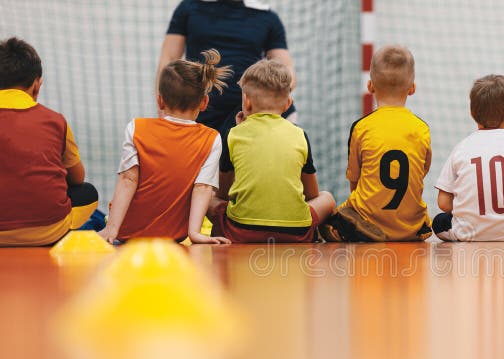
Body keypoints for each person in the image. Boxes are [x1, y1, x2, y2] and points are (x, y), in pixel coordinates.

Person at [158, 0, 297, 195]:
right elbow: (169, 59)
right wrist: (166, 110)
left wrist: (270, 98)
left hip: (249, 113)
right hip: (198, 110)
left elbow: (287, 71)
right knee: (196, 188)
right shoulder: (189, 8)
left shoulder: (267, 17)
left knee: (241, 189)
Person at [98, 49, 232, 244]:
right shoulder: (212, 138)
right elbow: (202, 188)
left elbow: (128, 179)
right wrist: (195, 234)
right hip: (173, 236)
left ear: (160, 100)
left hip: (129, 233)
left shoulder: (136, 128)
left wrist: (111, 229)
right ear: (204, 102)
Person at [208, 59, 335, 243]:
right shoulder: (300, 135)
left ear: (246, 101)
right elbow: (312, 194)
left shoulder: (233, 135)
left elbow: (223, 194)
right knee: (327, 198)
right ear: (287, 103)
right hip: (297, 233)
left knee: (209, 199)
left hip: (240, 232)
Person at [320, 45, 431, 242]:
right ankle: (413, 227)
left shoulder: (362, 127)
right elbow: (421, 171)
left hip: (369, 219)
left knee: (327, 220)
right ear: (412, 89)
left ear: (370, 86)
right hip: (410, 226)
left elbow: (354, 180)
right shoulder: (421, 128)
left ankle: (359, 227)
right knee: (426, 216)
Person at [0, 37, 99, 247]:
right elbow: (78, 178)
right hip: (48, 231)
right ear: (37, 85)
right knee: (88, 193)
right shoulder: (55, 121)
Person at [433, 74, 504, 242]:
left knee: (439, 222)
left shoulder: (461, 147)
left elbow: (443, 202)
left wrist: (468, 208)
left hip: (467, 232)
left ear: (472, 113)